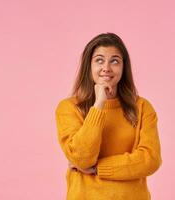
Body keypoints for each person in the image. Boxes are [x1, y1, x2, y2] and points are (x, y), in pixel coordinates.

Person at [55, 32, 162, 200]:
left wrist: (98, 168)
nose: (106, 68)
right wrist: (99, 105)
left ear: (123, 67)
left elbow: (150, 159)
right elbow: (82, 159)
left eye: (114, 61)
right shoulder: (68, 108)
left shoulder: (142, 107)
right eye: (99, 60)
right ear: (88, 66)